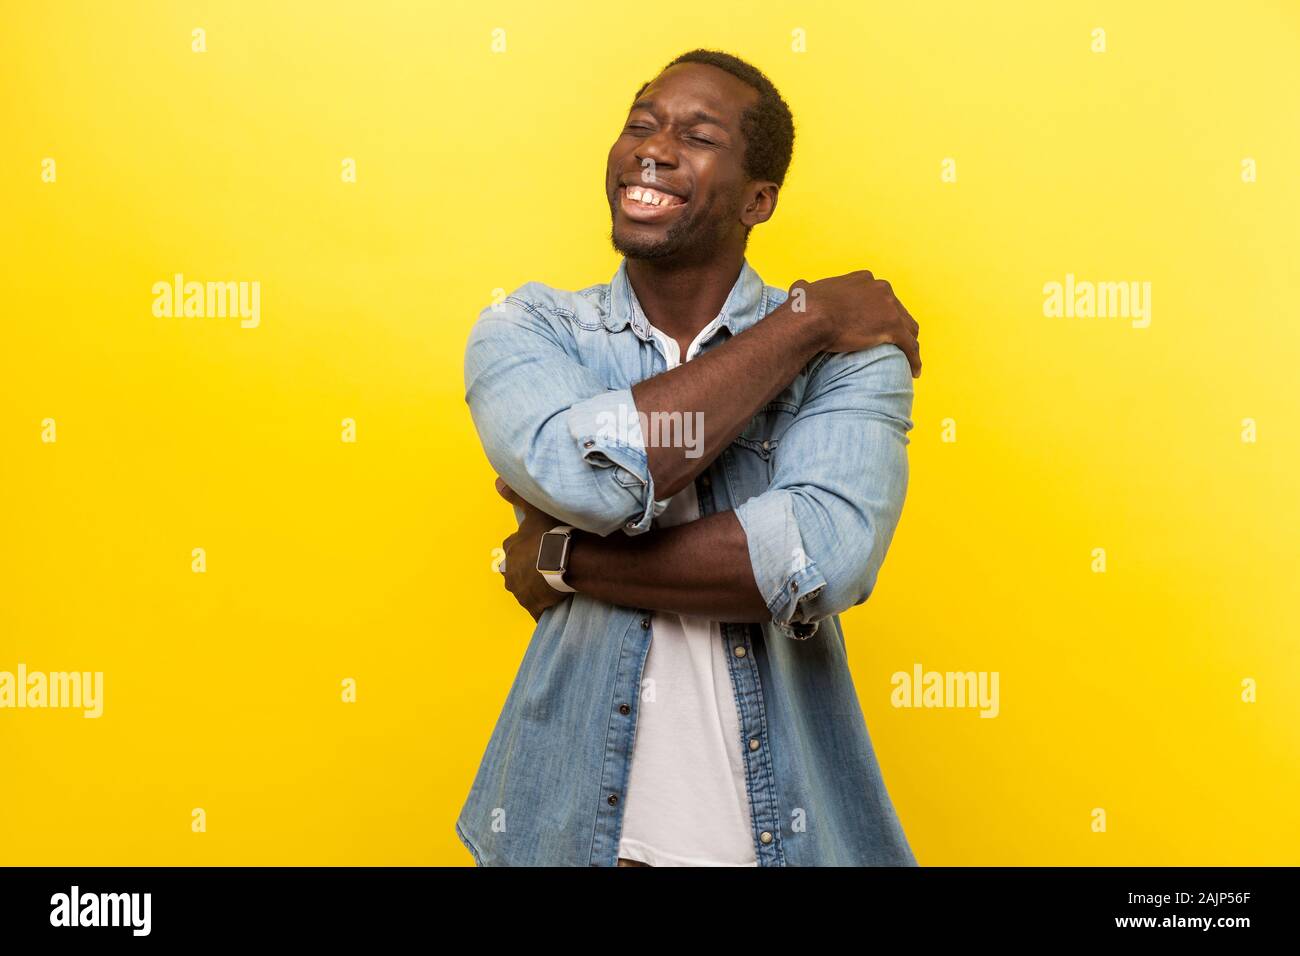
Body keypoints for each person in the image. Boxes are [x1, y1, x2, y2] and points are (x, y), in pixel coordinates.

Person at [457, 48, 923, 867]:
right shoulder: (527, 329)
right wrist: (802, 324)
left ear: (759, 198)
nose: (655, 148)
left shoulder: (856, 358)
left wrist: (563, 559)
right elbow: (593, 481)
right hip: (569, 839)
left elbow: (819, 559)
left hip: (785, 840)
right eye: (641, 124)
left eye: (696, 136)